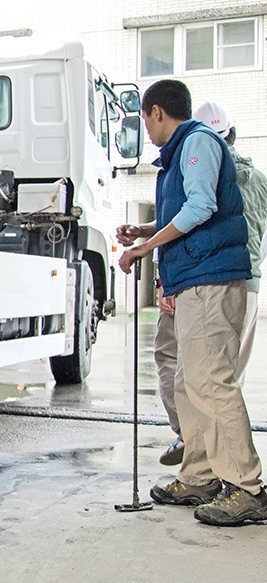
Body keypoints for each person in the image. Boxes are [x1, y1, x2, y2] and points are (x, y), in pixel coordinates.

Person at [116, 79, 266, 526]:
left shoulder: (198, 141)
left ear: (157, 112)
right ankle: (200, 475)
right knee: (189, 383)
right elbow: (191, 209)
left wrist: (145, 247)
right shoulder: (183, 150)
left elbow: (201, 207)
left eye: (145, 120)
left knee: (212, 382)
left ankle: (247, 487)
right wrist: (146, 231)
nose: (146, 131)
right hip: (194, 279)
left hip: (211, 279)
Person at [153, 100, 267, 467]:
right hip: (246, 281)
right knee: (221, 378)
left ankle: (224, 470)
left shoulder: (199, 159)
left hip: (202, 280)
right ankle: (205, 466)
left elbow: (193, 216)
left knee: (194, 377)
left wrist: (161, 273)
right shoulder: (259, 179)